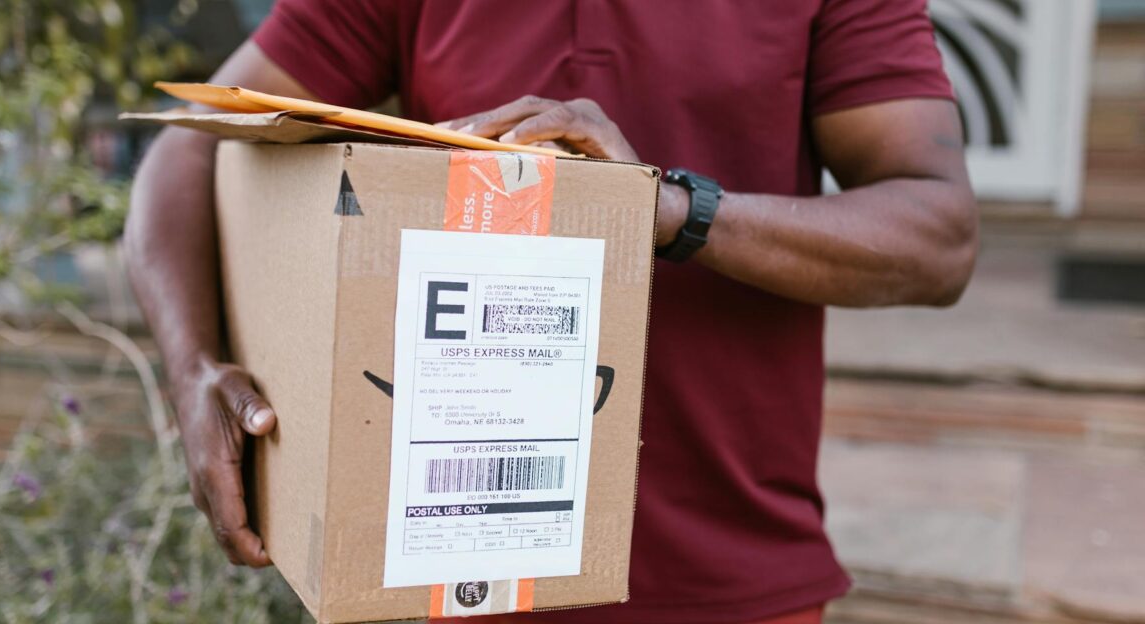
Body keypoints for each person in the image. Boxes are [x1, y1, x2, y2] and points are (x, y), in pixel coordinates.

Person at [124, 1, 978, 622]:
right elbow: (189, 141)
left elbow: (936, 236)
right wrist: (194, 367)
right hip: (446, 573)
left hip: (726, 580)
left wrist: (667, 210)